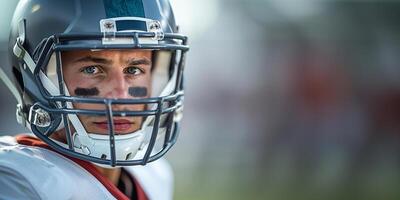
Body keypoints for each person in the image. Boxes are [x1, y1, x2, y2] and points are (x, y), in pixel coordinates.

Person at [0, 0, 189, 199]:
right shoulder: (16, 181)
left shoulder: (154, 176)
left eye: (134, 70)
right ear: (35, 78)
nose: (120, 96)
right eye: (92, 69)